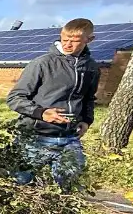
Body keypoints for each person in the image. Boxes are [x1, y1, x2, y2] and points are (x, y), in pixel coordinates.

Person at [7, 18, 99, 191]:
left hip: (69, 139)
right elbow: (15, 98)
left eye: (75, 41)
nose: (68, 44)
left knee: (72, 188)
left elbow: (88, 98)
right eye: (65, 39)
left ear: (89, 40)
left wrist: (87, 120)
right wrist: (42, 113)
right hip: (34, 138)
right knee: (18, 187)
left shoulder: (91, 68)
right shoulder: (42, 64)